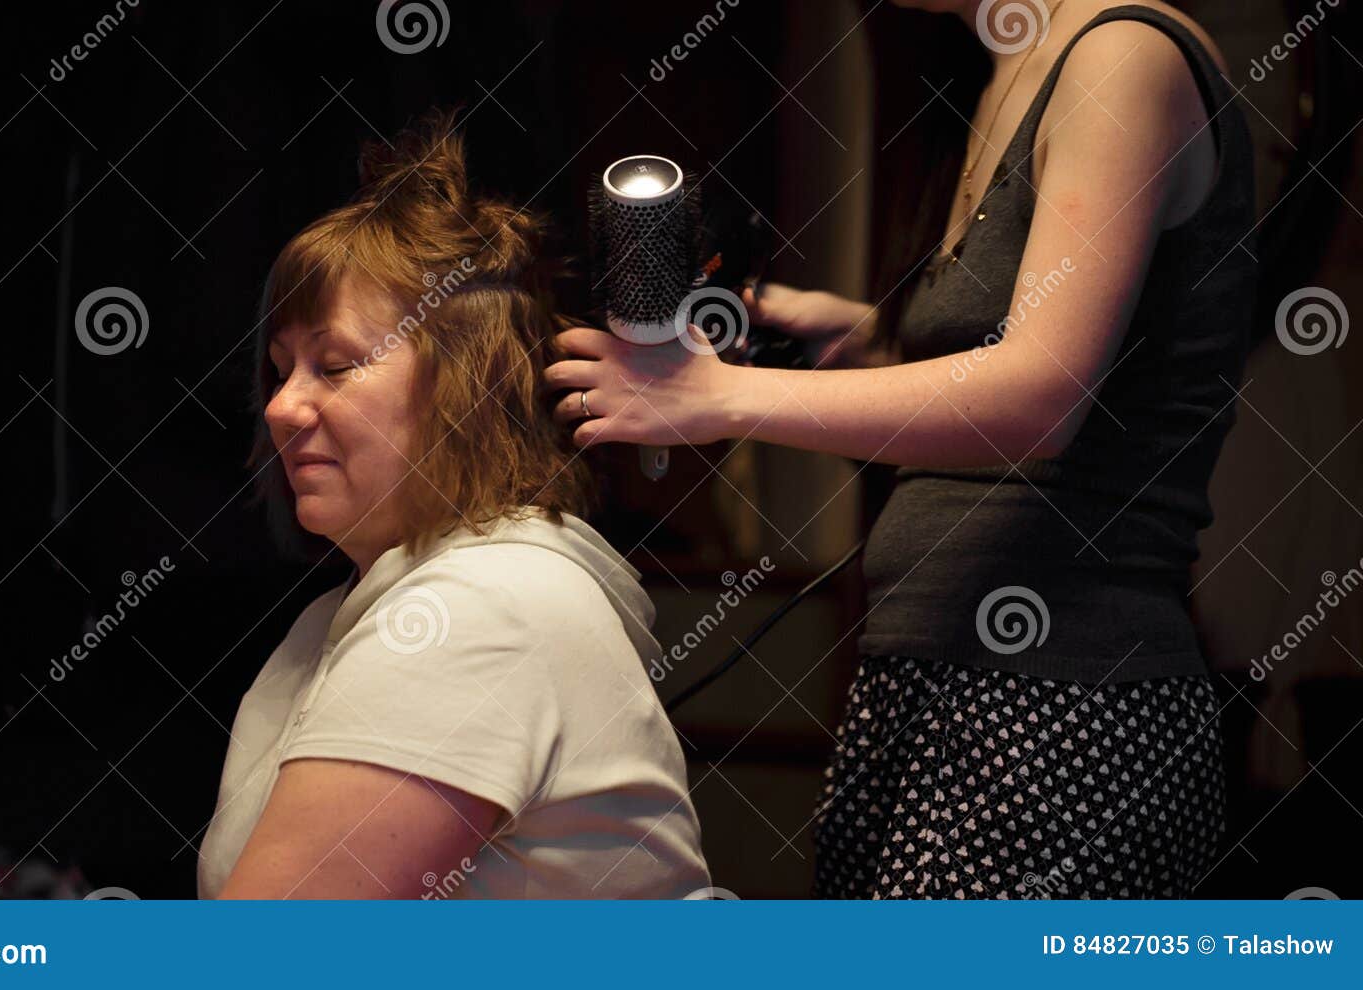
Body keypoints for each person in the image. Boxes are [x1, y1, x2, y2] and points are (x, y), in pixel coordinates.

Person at [546, 0, 1251, 897]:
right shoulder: (1002, 64)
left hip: (1058, 700)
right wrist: (872, 338)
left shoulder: (1123, 57)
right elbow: (1016, 347)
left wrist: (718, 398)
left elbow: (1040, 395)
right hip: (932, 683)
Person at [198, 112, 710, 899]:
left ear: (465, 390)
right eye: (281, 369)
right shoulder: (356, 610)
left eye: (333, 366)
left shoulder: (479, 611)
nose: (280, 408)